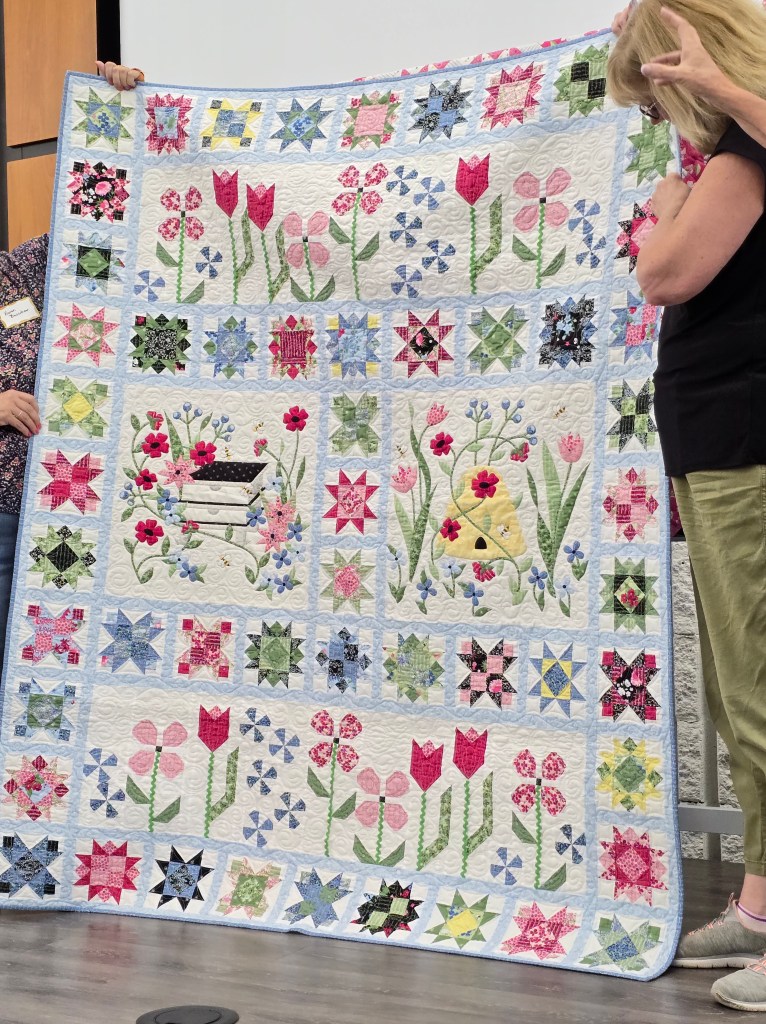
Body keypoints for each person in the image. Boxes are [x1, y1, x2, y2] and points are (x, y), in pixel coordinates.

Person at [609, 0, 766, 1012]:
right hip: (719, 442)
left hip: (746, 442)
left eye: (657, 94)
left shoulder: (745, 151)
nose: (659, 115)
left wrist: (665, 210)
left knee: (757, 690)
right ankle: (759, 905)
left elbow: (666, 275)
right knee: (738, 689)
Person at [0, 61, 144, 683]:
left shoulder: (25, 271)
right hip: (9, 505)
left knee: (70, 666)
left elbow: (109, 230)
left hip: (89, 503)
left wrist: (119, 104)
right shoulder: (21, 269)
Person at [614, 2, 766, 149]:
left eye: (652, 107)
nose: (655, 122)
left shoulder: (735, 151)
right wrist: (634, 36)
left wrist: (721, 91)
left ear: (684, 92)